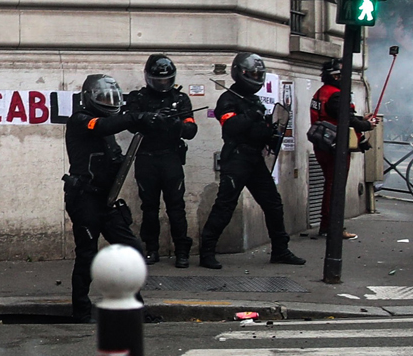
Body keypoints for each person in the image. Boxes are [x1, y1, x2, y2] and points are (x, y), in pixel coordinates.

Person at [197, 52, 305, 270]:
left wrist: (270, 131)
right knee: (225, 206)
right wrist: (251, 117)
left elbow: (258, 130)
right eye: (252, 73)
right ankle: (206, 252)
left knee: (273, 204)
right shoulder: (228, 99)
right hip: (236, 158)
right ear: (240, 73)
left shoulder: (254, 99)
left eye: (258, 74)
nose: (256, 77)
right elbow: (230, 127)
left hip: (255, 159)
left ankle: (280, 249)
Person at [62, 74, 149, 317]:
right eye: (103, 97)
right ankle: (81, 310)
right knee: (87, 255)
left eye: (112, 98)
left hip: (106, 200)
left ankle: (134, 306)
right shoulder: (81, 121)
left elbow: (115, 159)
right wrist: (134, 117)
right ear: (89, 98)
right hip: (84, 199)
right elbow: (101, 126)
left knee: (132, 250)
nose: (108, 102)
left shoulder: (108, 127)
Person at [124, 54, 198, 267]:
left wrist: (176, 123)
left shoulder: (180, 99)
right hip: (146, 157)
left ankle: (182, 250)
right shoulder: (139, 98)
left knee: (176, 207)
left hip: (170, 157)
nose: (163, 85)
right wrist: (150, 117)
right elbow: (129, 121)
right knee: (149, 207)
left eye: (167, 80)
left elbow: (191, 129)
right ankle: (151, 248)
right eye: (159, 81)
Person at [308, 60, 373, 240]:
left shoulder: (322, 92)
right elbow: (346, 119)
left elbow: (337, 115)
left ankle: (327, 225)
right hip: (335, 146)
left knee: (331, 185)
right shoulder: (336, 95)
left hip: (323, 144)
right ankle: (332, 227)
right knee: (335, 187)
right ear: (335, 76)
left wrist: (360, 119)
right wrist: (366, 124)